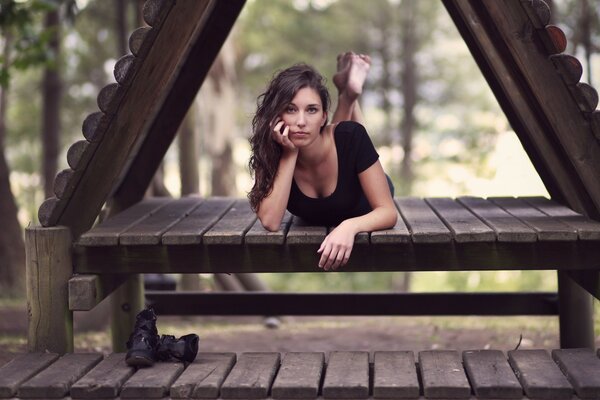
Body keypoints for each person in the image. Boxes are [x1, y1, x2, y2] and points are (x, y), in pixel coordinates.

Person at [248, 52, 397, 271]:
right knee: (330, 140)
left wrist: (350, 226)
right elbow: (270, 222)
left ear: (324, 116)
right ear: (276, 115)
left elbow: (388, 212)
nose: (300, 122)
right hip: (320, 156)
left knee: (347, 139)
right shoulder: (270, 150)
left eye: (311, 110)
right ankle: (347, 95)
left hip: (364, 198)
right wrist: (290, 154)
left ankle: (348, 97)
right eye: (290, 109)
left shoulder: (351, 136)